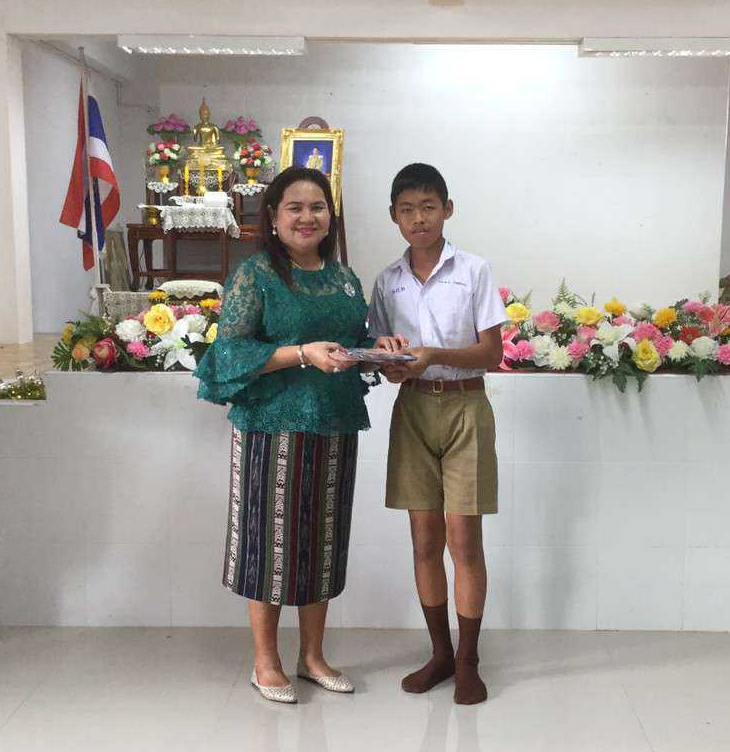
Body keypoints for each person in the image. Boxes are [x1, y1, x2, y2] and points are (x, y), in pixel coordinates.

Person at [195, 166, 388, 704]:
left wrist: (377, 346)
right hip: (270, 426)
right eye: (295, 208)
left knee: (322, 541)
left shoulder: (343, 276)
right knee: (271, 544)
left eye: (317, 207)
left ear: (331, 216)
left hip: (334, 422)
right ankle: (266, 660)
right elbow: (228, 352)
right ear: (274, 218)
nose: (307, 217)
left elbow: (350, 338)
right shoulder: (255, 274)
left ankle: (313, 656)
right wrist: (301, 353)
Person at [369, 164, 507, 705]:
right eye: (407, 209)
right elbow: (385, 358)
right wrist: (390, 361)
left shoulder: (473, 271)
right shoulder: (388, 281)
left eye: (428, 206)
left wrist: (434, 355)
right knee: (424, 540)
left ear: (448, 209)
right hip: (413, 410)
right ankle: (440, 653)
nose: (418, 218)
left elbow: (492, 353)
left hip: (466, 406)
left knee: (463, 539)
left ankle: (469, 660)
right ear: (394, 216)